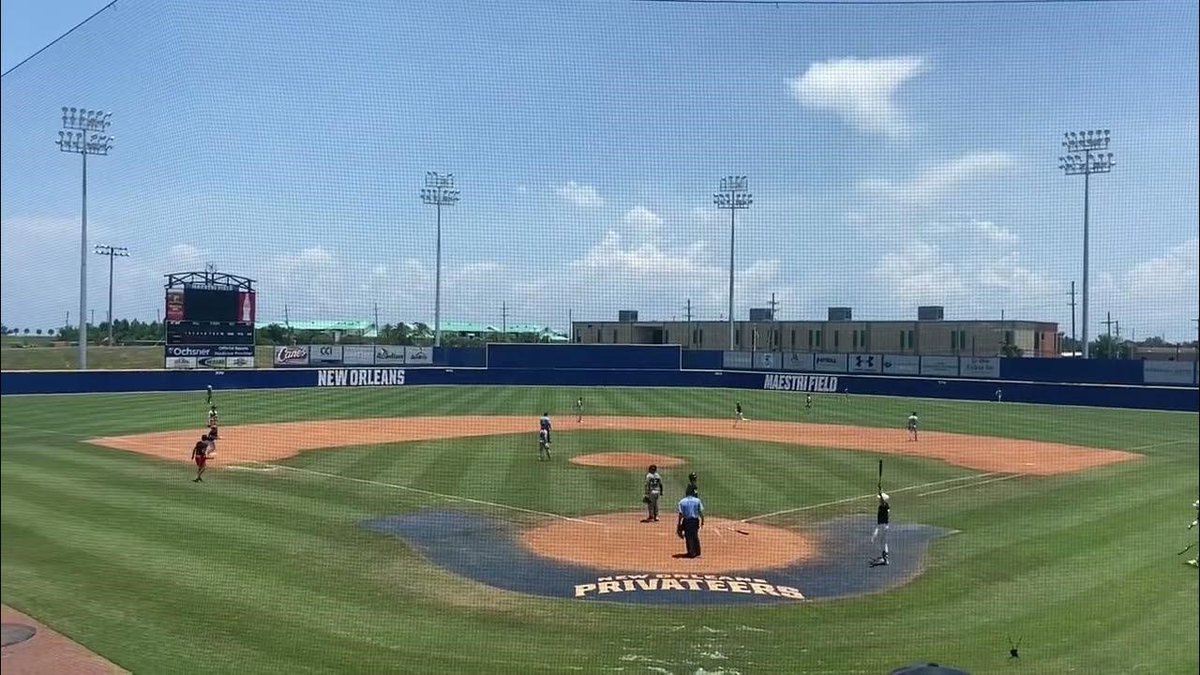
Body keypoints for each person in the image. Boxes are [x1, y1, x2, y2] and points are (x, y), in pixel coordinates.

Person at [676, 484, 705, 558]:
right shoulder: (697, 500)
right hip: (695, 521)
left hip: (687, 521)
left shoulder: (682, 501)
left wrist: (679, 524)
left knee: (688, 537)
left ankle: (691, 552)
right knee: (695, 535)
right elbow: (700, 512)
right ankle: (697, 551)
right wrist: (702, 521)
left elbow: (681, 514)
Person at [870, 492, 891, 566]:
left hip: (882, 526)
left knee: (882, 543)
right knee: (883, 542)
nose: (878, 500)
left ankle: (885, 559)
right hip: (884, 526)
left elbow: (882, 501)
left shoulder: (884, 506)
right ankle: (885, 558)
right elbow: (882, 501)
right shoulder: (885, 506)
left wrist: (880, 491)